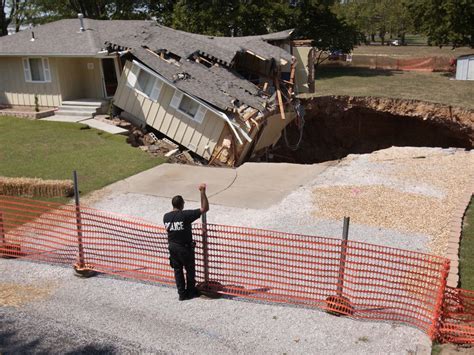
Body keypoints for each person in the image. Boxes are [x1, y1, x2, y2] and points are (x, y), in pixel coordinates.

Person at [163, 184, 209, 301]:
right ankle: (191, 292)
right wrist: (202, 192)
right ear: (182, 204)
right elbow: (204, 208)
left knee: (177, 271)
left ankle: (182, 294)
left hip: (172, 248)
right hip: (184, 249)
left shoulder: (166, 217)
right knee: (190, 271)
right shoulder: (185, 215)